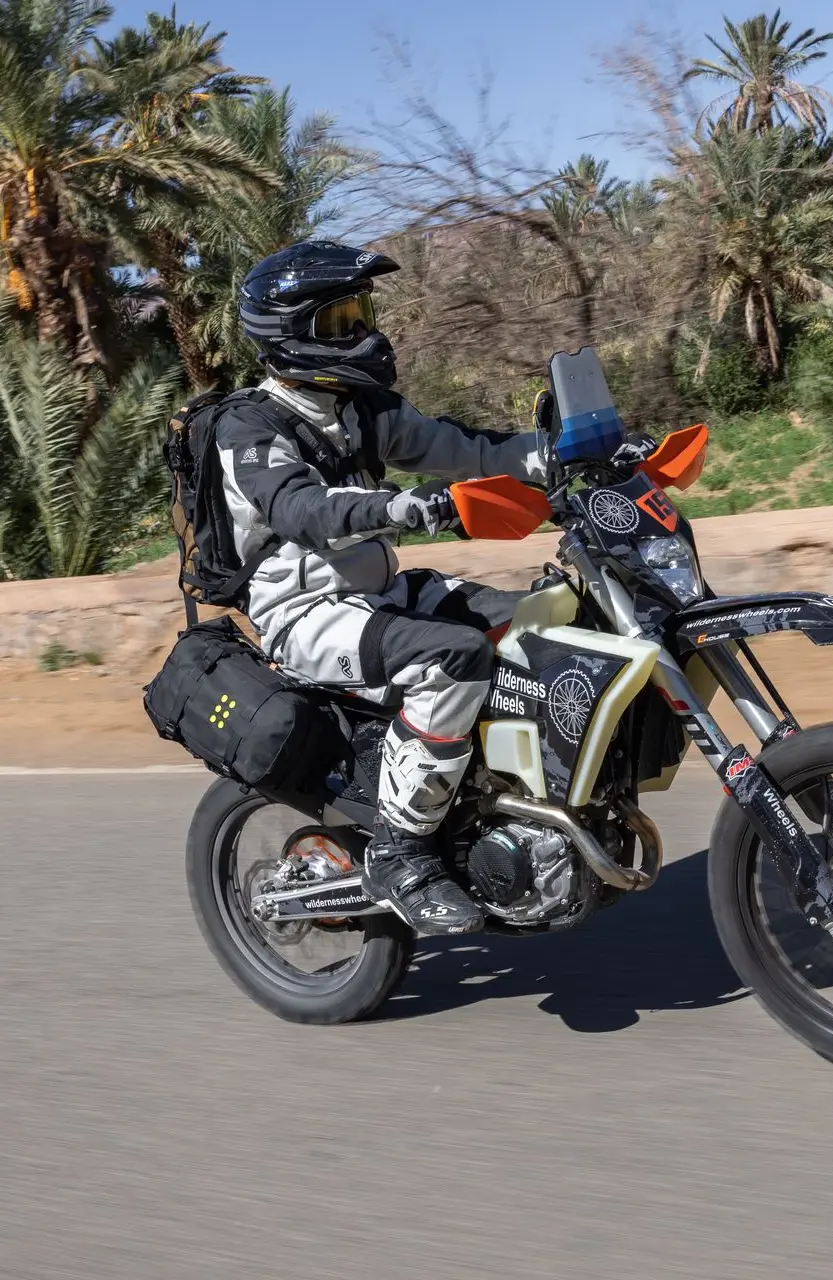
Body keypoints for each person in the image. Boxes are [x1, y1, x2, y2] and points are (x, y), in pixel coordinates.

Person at [220, 239, 546, 934]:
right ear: (290, 334)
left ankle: (506, 802)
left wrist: (570, 450)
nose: (365, 335)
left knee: (542, 619)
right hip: (306, 615)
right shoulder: (247, 427)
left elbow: (472, 449)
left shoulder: (361, 410)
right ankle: (400, 851)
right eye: (341, 322)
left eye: (363, 315)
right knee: (453, 657)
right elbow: (302, 510)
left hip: (379, 596)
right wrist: (400, 507)